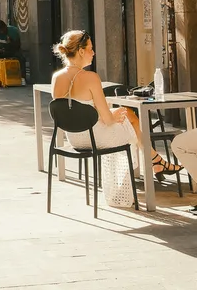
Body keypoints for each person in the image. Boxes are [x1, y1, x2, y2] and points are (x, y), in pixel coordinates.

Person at [51, 31, 181, 200]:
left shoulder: (56, 77)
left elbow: (73, 110)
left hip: (74, 137)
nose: (94, 52)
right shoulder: (91, 78)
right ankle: (155, 162)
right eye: (90, 48)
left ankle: (155, 161)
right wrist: (116, 113)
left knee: (128, 117)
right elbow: (107, 119)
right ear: (81, 51)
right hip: (95, 138)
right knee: (130, 118)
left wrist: (113, 114)